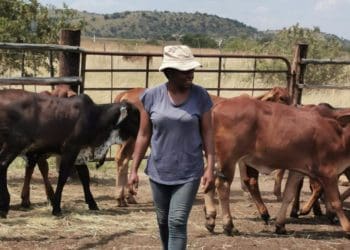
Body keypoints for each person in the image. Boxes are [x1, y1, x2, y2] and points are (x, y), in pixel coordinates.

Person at [128, 45, 215, 250]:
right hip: (159, 170)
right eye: (185, 70)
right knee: (163, 220)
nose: (191, 74)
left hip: (189, 171)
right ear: (170, 72)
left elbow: (208, 134)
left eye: (191, 69)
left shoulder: (201, 97)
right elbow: (143, 134)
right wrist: (133, 170)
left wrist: (210, 167)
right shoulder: (152, 96)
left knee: (176, 221)